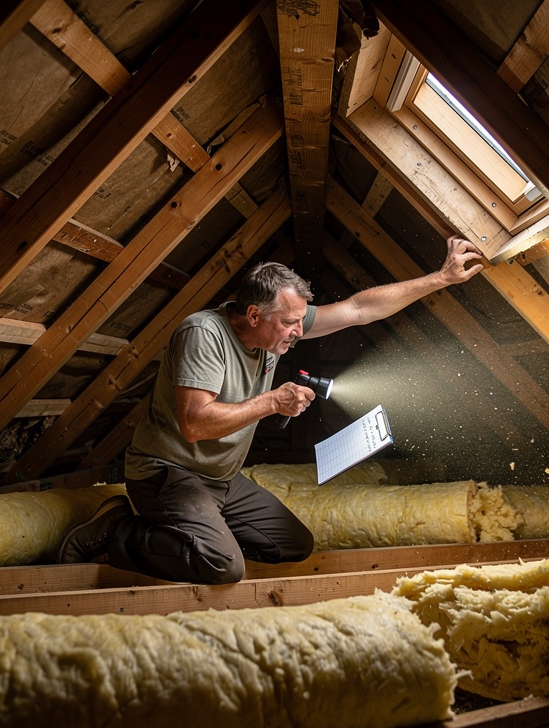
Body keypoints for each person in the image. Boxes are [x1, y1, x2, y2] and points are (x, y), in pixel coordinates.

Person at [58, 235, 485, 583]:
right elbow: (194, 424)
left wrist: (441, 278)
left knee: (293, 545)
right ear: (254, 314)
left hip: (221, 480)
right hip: (168, 474)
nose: (299, 332)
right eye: (289, 323)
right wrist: (272, 401)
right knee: (222, 566)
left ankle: (195, 530)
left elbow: (359, 309)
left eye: (301, 320)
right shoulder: (203, 334)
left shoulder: (277, 326)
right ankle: (116, 529)